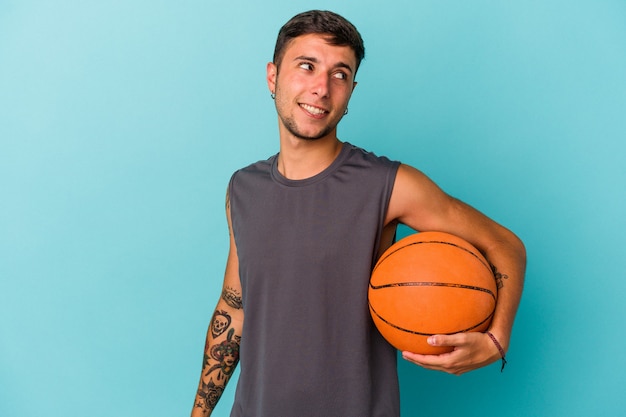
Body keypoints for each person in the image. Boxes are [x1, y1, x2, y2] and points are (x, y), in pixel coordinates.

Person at [191, 10, 526, 417]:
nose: (321, 88)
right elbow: (234, 308)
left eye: (340, 74)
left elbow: (504, 244)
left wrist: (496, 340)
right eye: (307, 66)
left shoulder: (390, 184)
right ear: (273, 76)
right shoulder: (242, 189)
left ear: (350, 91)